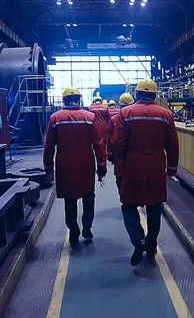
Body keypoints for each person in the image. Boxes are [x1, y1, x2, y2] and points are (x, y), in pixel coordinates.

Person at [111, 79, 179, 266]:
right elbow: (172, 145)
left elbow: (118, 143)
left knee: (128, 205)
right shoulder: (165, 114)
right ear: (155, 95)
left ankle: (138, 240)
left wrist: (122, 164)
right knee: (154, 207)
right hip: (156, 165)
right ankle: (151, 243)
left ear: (138, 94)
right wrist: (172, 168)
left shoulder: (126, 113)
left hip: (134, 165)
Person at [44, 87, 107, 246]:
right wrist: (101, 166)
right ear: (79, 100)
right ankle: (87, 227)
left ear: (64, 100)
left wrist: (48, 166)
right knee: (88, 195)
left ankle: (73, 229)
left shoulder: (55, 118)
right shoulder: (90, 117)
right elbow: (98, 144)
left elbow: (49, 145)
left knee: (69, 199)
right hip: (85, 161)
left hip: (65, 162)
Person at [107, 92, 134, 194]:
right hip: (135, 156)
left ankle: (125, 200)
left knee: (121, 180)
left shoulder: (114, 120)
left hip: (119, 157)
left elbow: (110, 139)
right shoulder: (136, 118)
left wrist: (110, 155)